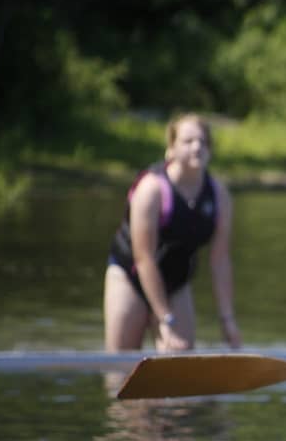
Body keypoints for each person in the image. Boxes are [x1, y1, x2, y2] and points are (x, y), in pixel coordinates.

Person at [103, 113, 242, 352]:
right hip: (130, 275)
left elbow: (220, 261)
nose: (197, 147)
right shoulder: (152, 189)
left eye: (203, 142)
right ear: (172, 148)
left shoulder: (220, 196)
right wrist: (164, 319)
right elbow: (143, 258)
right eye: (188, 141)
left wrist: (227, 319)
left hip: (176, 282)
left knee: (181, 363)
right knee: (121, 367)